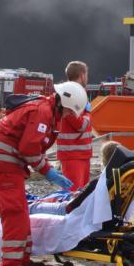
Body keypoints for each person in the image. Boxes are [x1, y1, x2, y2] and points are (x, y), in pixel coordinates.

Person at [0, 82, 83, 266]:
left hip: (5, 165)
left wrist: (48, 170)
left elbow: (31, 147)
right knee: (15, 213)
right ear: (66, 103)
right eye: (70, 111)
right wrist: (48, 171)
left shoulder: (45, 110)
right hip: (4, 166)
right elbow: (29, 148)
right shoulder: (42, 112)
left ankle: (21, 260)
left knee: (21, 212)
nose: (69, 116)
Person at [56, 60, 94, 191]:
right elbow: (80, 125)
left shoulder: (74, 92)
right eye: (86, 74)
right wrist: (88, 113)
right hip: (73, 155)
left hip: (80, 154)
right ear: (82, 75)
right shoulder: (71, 94)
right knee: (73, 197)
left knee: (81, 195)